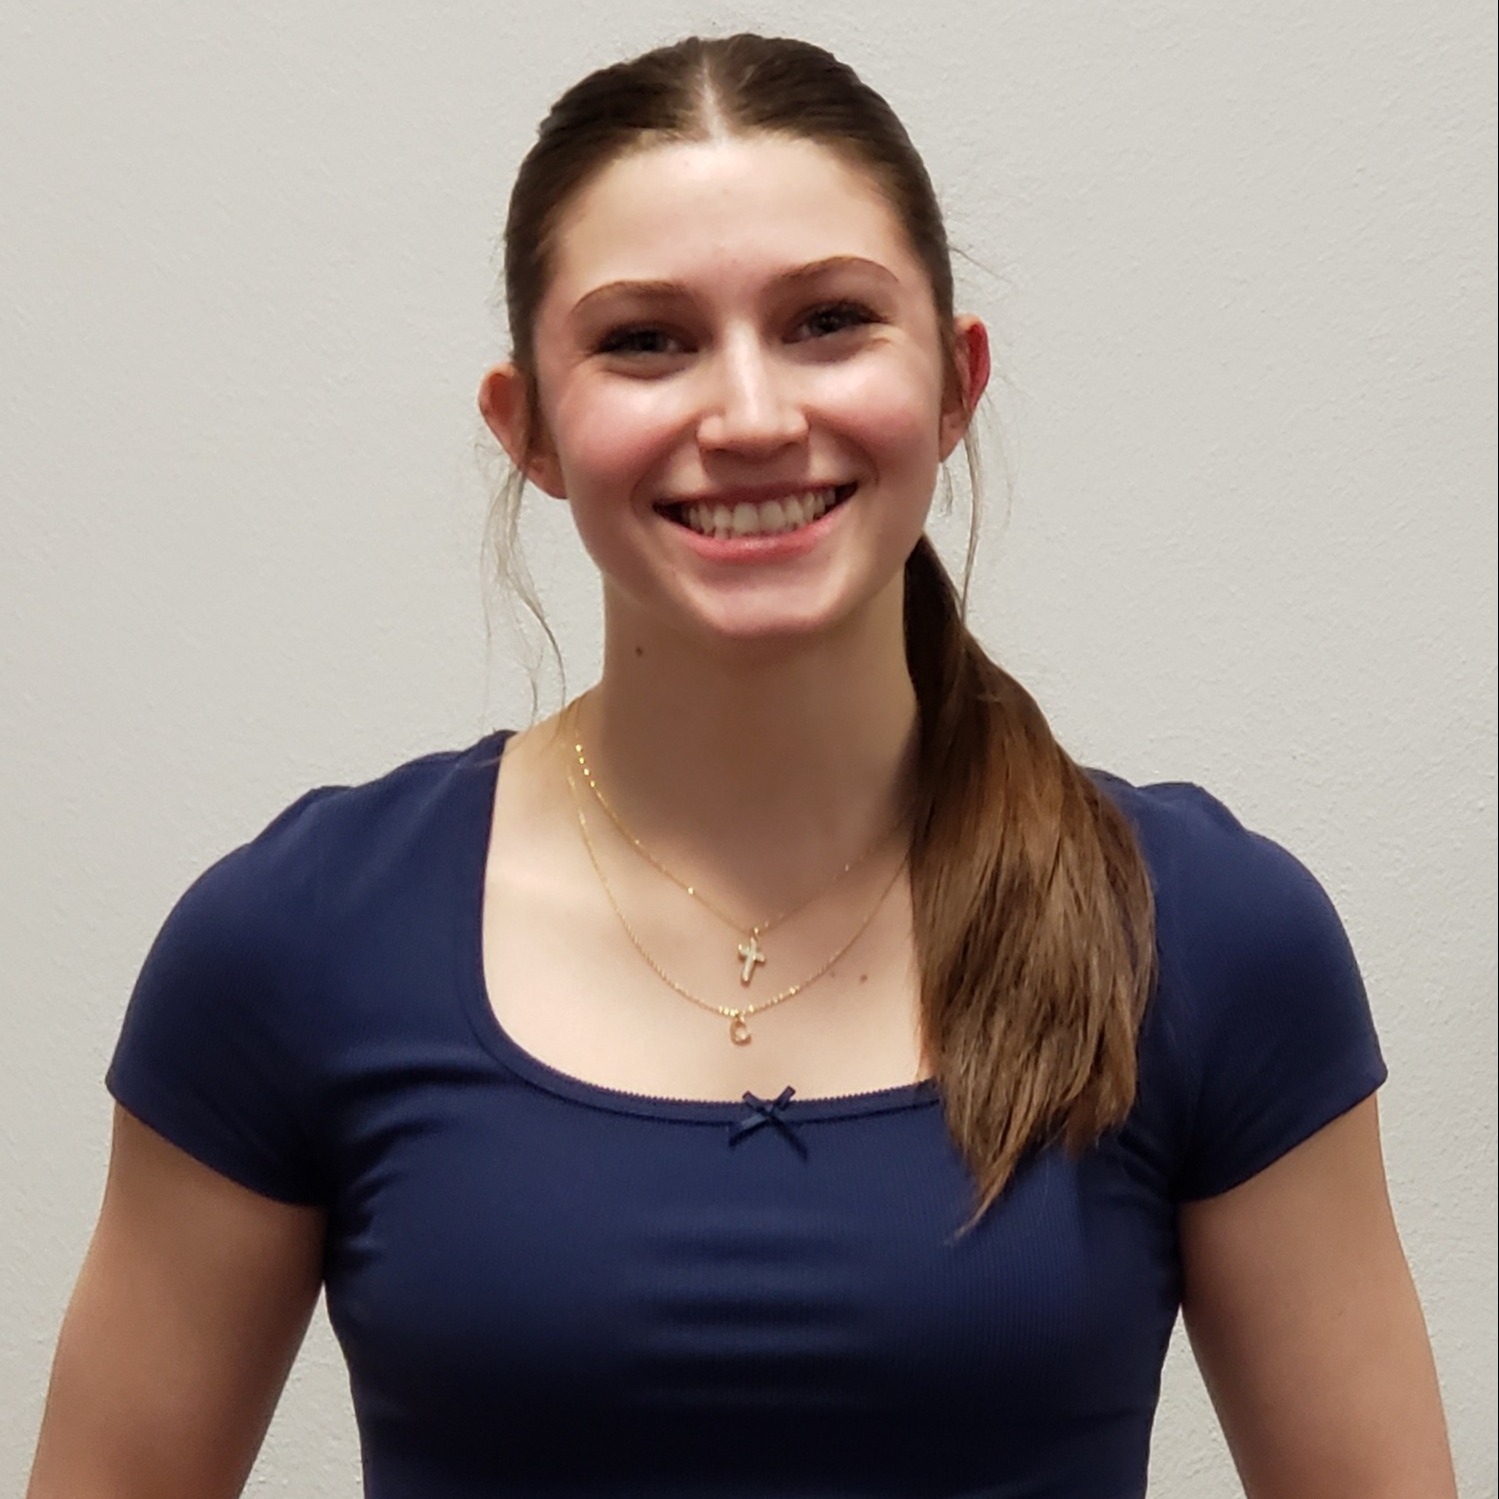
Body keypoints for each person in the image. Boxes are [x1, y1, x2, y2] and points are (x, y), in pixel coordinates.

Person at [26, 32, 1456, 1499]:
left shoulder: (1208, 937)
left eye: (830, 321)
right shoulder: (296, 943)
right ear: (527, 428)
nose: (755, 416)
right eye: (645, 339)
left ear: (956, 387)